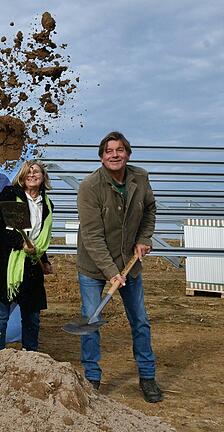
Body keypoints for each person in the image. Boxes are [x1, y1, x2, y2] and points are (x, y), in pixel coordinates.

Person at [77, 131, 163, 403]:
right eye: (109, 151)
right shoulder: (90, 186)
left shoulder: (140, 177)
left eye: (120, 150)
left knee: (140, 320)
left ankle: (147, 376)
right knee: (91, 320)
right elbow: (92, 236)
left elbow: (149, 209)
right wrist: (110, 271)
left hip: (130, 264)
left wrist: (144, 239)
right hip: (94, 265)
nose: (114, 155)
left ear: (128, 153)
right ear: (101, 156)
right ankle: (92, 378)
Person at [0, 160, 54, 352]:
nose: (32, 175)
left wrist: (44, 259)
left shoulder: (48, 204)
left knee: (32, 316)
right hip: (5, 263)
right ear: (22, 176)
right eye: (28, 172)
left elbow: (39, 237)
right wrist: (20, 243)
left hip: (31, 266)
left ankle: (31, 356)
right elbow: (2, 227)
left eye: (36, 172)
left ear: (43, 177)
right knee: (1, 315)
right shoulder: (11, 194)